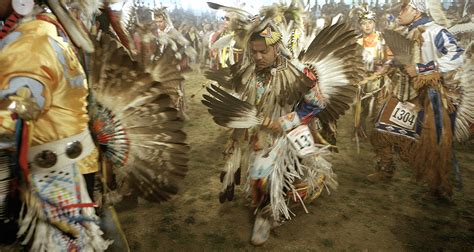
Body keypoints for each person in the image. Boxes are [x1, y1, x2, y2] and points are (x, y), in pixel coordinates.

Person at [204, 3, 363, 245]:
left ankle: (266, 216)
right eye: (253, 51)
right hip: (260, 131)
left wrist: (285, 122)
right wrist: (234, 139)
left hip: (286, 132)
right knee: (259, 173)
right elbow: (246, 106)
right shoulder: (251, 72)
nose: (257, 56)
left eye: (263, 52)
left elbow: (317, 104)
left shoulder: (298, 72)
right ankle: (272, 201)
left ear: (276, 48)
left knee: (262, 175)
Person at [0, 0, 110, 250]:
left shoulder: (28, 45)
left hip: (54, 177)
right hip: (69, 166)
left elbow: (11, 119)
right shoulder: (43, 28)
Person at [367, 0, 464, 199]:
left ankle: (437, 187)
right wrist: (388, 65)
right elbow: (405, 57)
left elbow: (457, 55)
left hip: (431, 95)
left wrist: (423, 69)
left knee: (433, 141)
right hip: (403, 90)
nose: (399, 14)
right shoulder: (408, 31)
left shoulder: (436, 32)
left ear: (416, 10)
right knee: (380, 127)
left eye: (403, 9)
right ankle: (385, 169)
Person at [353, 5, 392, 140]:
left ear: (374, 23)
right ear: (360, 25)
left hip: (380, 78)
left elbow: (390, 57)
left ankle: (378, 134)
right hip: (362, 78)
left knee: (379, 108)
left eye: (369, 22)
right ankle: (360, 131)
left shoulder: (382, 39)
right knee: (360, 107)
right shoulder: (357, 41)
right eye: (364, 23)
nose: (367, 26)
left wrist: (384, 68)